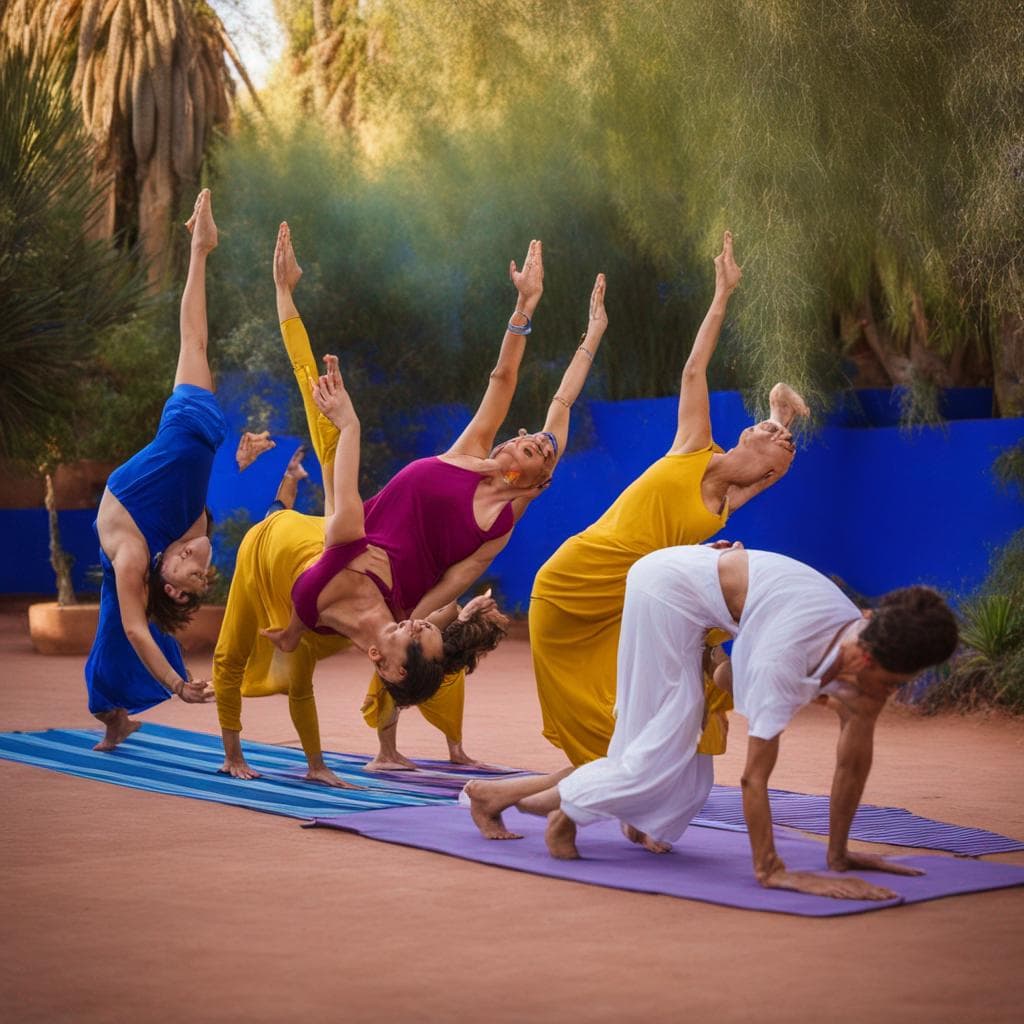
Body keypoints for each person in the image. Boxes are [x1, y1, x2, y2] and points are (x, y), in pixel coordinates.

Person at [269, 222, 608, 770]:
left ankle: (398, 741)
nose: (525, 439)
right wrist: (528, 306)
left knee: (420, 657)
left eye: (535, 452)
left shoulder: (499, 524)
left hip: (393, 583)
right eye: (527, 436)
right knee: (318, 404)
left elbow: (451, 582)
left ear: (530, 479)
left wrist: (409, 620)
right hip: (353, 535)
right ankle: (284, 292)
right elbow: (504, 377)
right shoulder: (471, 450)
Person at [465, 544, 959, 902]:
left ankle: (522, 800)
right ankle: (543, 811)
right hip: (665, 593)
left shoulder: (865, 645)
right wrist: (773, 871)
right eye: (892, 684)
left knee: (688, 782)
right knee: (661, 750)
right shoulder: (782, 660)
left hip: (722, 606)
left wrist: (838, 855)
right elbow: (754, 779)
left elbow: (852, 764)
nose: (889, 696)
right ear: (867, 656)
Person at [530, 230, 807, 769]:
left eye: (771, 433)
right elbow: (693, 369)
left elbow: (773, 465)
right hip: (577, 576)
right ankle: (601, 785)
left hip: (632, 595)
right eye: (764, 425)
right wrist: (723, 292)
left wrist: (782, 418)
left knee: (643, 687)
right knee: (581, 697)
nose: (761, 428)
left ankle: (630, 781)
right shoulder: (694, 446)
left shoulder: (731, 498)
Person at [212, 352, 507, 787]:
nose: (417, 622)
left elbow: (306, 657)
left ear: (383, 661)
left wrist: (317, 764)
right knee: (231, 653)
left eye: (415, 632)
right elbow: (434, 615)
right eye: (420, 627)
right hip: (280, 545)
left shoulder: (320, 605)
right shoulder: (395, 603)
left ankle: (287, 484)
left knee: (290, 665)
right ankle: (231, 753)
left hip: (302, 556)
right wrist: (346, 424)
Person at [84, 189, 225, 750]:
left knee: (119, 627)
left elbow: (139, 624)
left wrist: (177, 684)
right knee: (194, 338)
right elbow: (199, 557)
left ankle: (199, 247)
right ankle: (116, 715)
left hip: (183, 427)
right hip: (204, 432)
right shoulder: (185, 541)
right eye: (196, 571)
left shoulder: (138, 557)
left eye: (187, 573)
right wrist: (194, 577)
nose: (195, 561)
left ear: (163, 578)